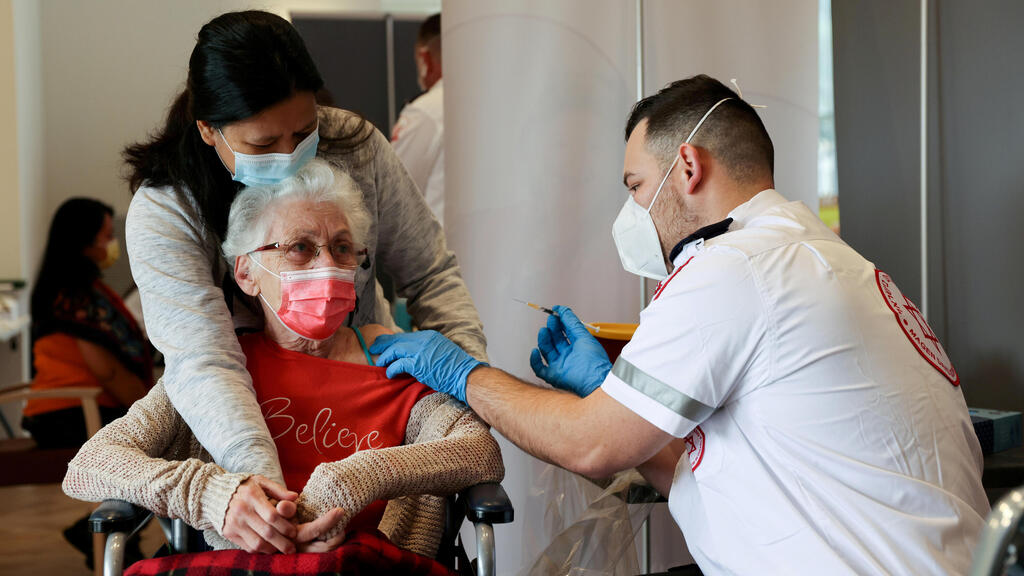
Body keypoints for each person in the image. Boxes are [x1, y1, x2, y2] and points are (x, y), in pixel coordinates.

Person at [370, 75, 990, 574]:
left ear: (688, 168)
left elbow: (592, 446)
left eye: (636, 186)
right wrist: (603, 389)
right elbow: (712, 471)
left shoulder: (732, 270)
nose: (632, 211)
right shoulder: (826, 259)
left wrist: (458, 369)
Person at [121, 9, 486, 538]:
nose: (290, 157)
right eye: (263, 146)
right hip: (240, 439)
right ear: (208, 130)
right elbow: (203, 361)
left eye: (304, 132)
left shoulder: (355, 145)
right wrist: (269, 504)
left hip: (366, 393)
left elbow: (429, 273)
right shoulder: (168, 207)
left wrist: (461, 382)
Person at [64, 160, 503, 569]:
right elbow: (92, 464)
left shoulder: (397, 361)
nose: (328, 265)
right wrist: (214, 494)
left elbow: (479, 451)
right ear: (245, 274)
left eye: (343, 247)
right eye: (300, 248)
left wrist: (356, 478)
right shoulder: (219, 378)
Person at [23, 197, 152, 568]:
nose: (112, 245)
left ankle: (122, 537)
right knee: (159, 442)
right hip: (67, 412)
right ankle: (111, 534)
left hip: (80, 406)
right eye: (107, 236)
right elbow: (107, 370)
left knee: (160, 441)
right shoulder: (74, 296)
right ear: (83, 239)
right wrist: (148, 407)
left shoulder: (79, 289)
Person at [390, 13, 445, 224]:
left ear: (425, 59)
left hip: (442, 248)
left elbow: (394, 190)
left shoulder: (426, 112)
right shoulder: (503, 105)